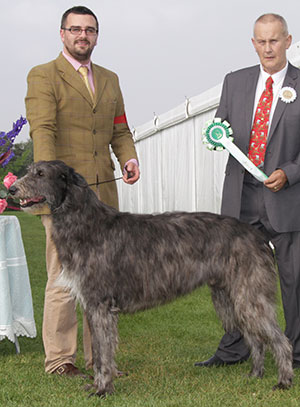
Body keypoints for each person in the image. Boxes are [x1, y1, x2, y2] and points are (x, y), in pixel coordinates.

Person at [25, 6, 140, 377]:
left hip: (104, 198)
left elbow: (120, 129)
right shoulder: (43, 76)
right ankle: (60, 359)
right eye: (75, 29)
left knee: (103, 280)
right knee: (63, 280)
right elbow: (42, 129)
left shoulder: (110, 79)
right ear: (62, 34)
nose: (82, 36)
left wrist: (129, 158)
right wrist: (46, 187)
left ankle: (100, 360)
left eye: (89, 30)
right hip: (64, 200)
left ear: (96, 35)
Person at [195, 13, 300, 368]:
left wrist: (290, 171)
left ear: (288, 40)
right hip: (241, 197)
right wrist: (216, 136)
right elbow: (221, 129)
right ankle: (234, 348)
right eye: (261, 41)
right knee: (229, 278)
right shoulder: (234, 82)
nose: (268, 48)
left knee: (294, 279)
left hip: (288, 198)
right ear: (253, 43)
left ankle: (297, 350)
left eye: (274, 40)